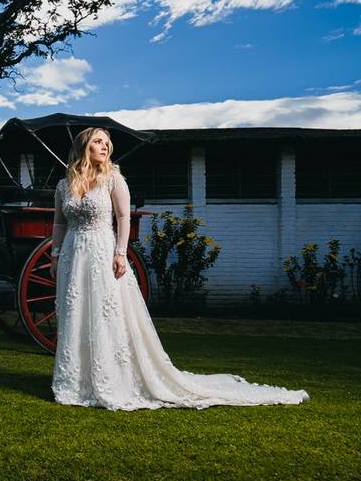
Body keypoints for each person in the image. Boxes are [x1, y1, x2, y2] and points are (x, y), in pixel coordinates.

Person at [49, 127, 309, 410]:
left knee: (104, 312)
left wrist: (121, 253)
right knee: (76, 312)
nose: (105, 147)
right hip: (73, 257)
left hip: (102, 252)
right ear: (83, 146)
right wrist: (55, 254)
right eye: (98, 142)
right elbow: (59, 224)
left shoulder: (113, 178)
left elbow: (124, 218)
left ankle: (110, 377)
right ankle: (76, 380)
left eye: (107, 143)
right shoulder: (65, 186)